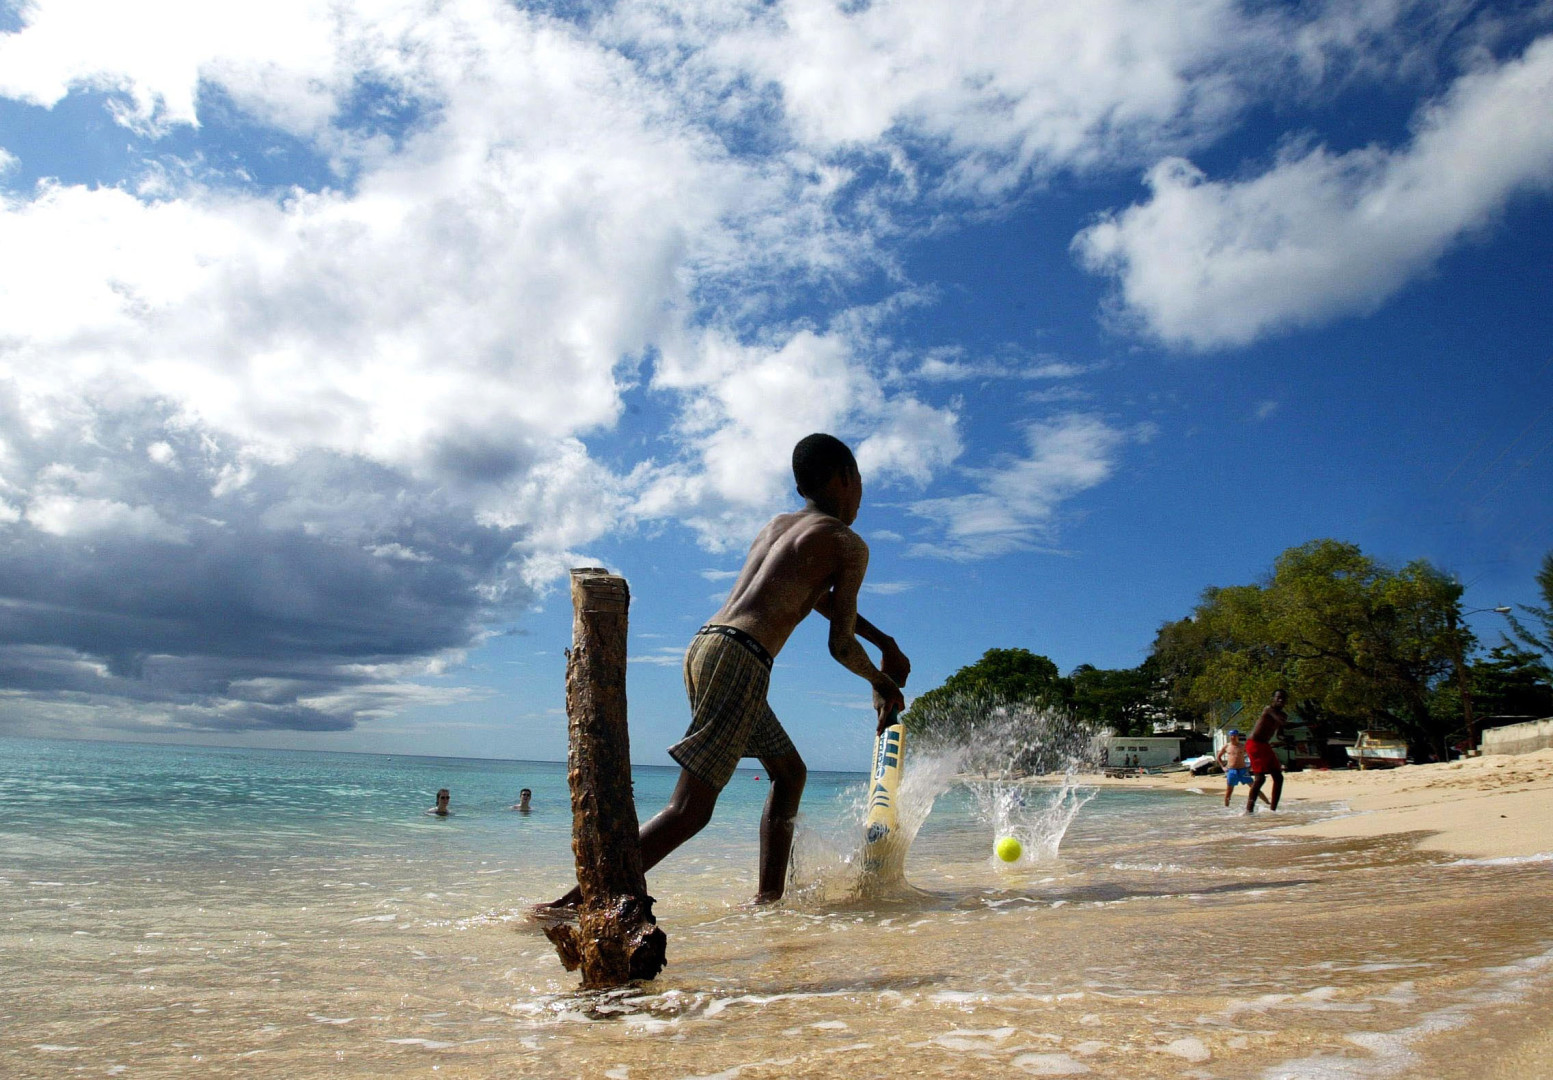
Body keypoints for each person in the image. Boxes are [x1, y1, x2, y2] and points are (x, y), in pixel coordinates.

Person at [536, 433, 909, 913]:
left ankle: (767, 902)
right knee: (690, 809)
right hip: (743, 660)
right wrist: (882, 683)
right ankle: (572, 904)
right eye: (860, 484)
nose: (862, 498)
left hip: (708, 646)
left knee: (789, 774)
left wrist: (885, 644)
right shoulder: (847, 543)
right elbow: (839, 644)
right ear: (845, 479)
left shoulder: (779, 525)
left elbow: (814, 596)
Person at [1244, 690, 1290, 812]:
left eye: (1283, 698)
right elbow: (1283, 723)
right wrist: (1306, 723)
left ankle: (1273, 810)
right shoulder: (1268, 710)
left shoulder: (1283, 715)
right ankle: (1249, 810)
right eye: (1278, 698)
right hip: (1254, 744)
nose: (1280, 700)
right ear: (1273, 698)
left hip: (1265, 745)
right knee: (1260, 778)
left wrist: (1283, 740)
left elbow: (1280, 733)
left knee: (1278, 777)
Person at [1216, 729, 1269, 808]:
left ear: (1237, 736)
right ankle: (1226, 808)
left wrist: (1251, 766)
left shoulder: (1242, 746)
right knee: (1229, 791)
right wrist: (1222, 766)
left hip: (1243, 770)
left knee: (1254, 787)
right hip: (1231, 771)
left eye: (1234, 735)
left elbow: (1252, 756)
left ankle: (1268, 803)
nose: (1233, 737)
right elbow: (1218, 757)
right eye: (1231, 736)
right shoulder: (1227, 746)